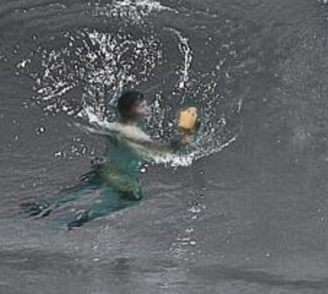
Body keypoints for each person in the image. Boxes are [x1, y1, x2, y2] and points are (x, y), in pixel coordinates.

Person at [20, 90, 198, 229]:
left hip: (106, 168)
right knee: (133, 197)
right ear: (130, 110)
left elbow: (100, 126)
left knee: (79, 190)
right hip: (117, 175)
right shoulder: (130, 132)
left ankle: (44, 206)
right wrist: (186, 136)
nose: (147, 108)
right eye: (142, 105)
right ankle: (78, 219)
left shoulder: (116, 126)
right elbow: (160, 149)